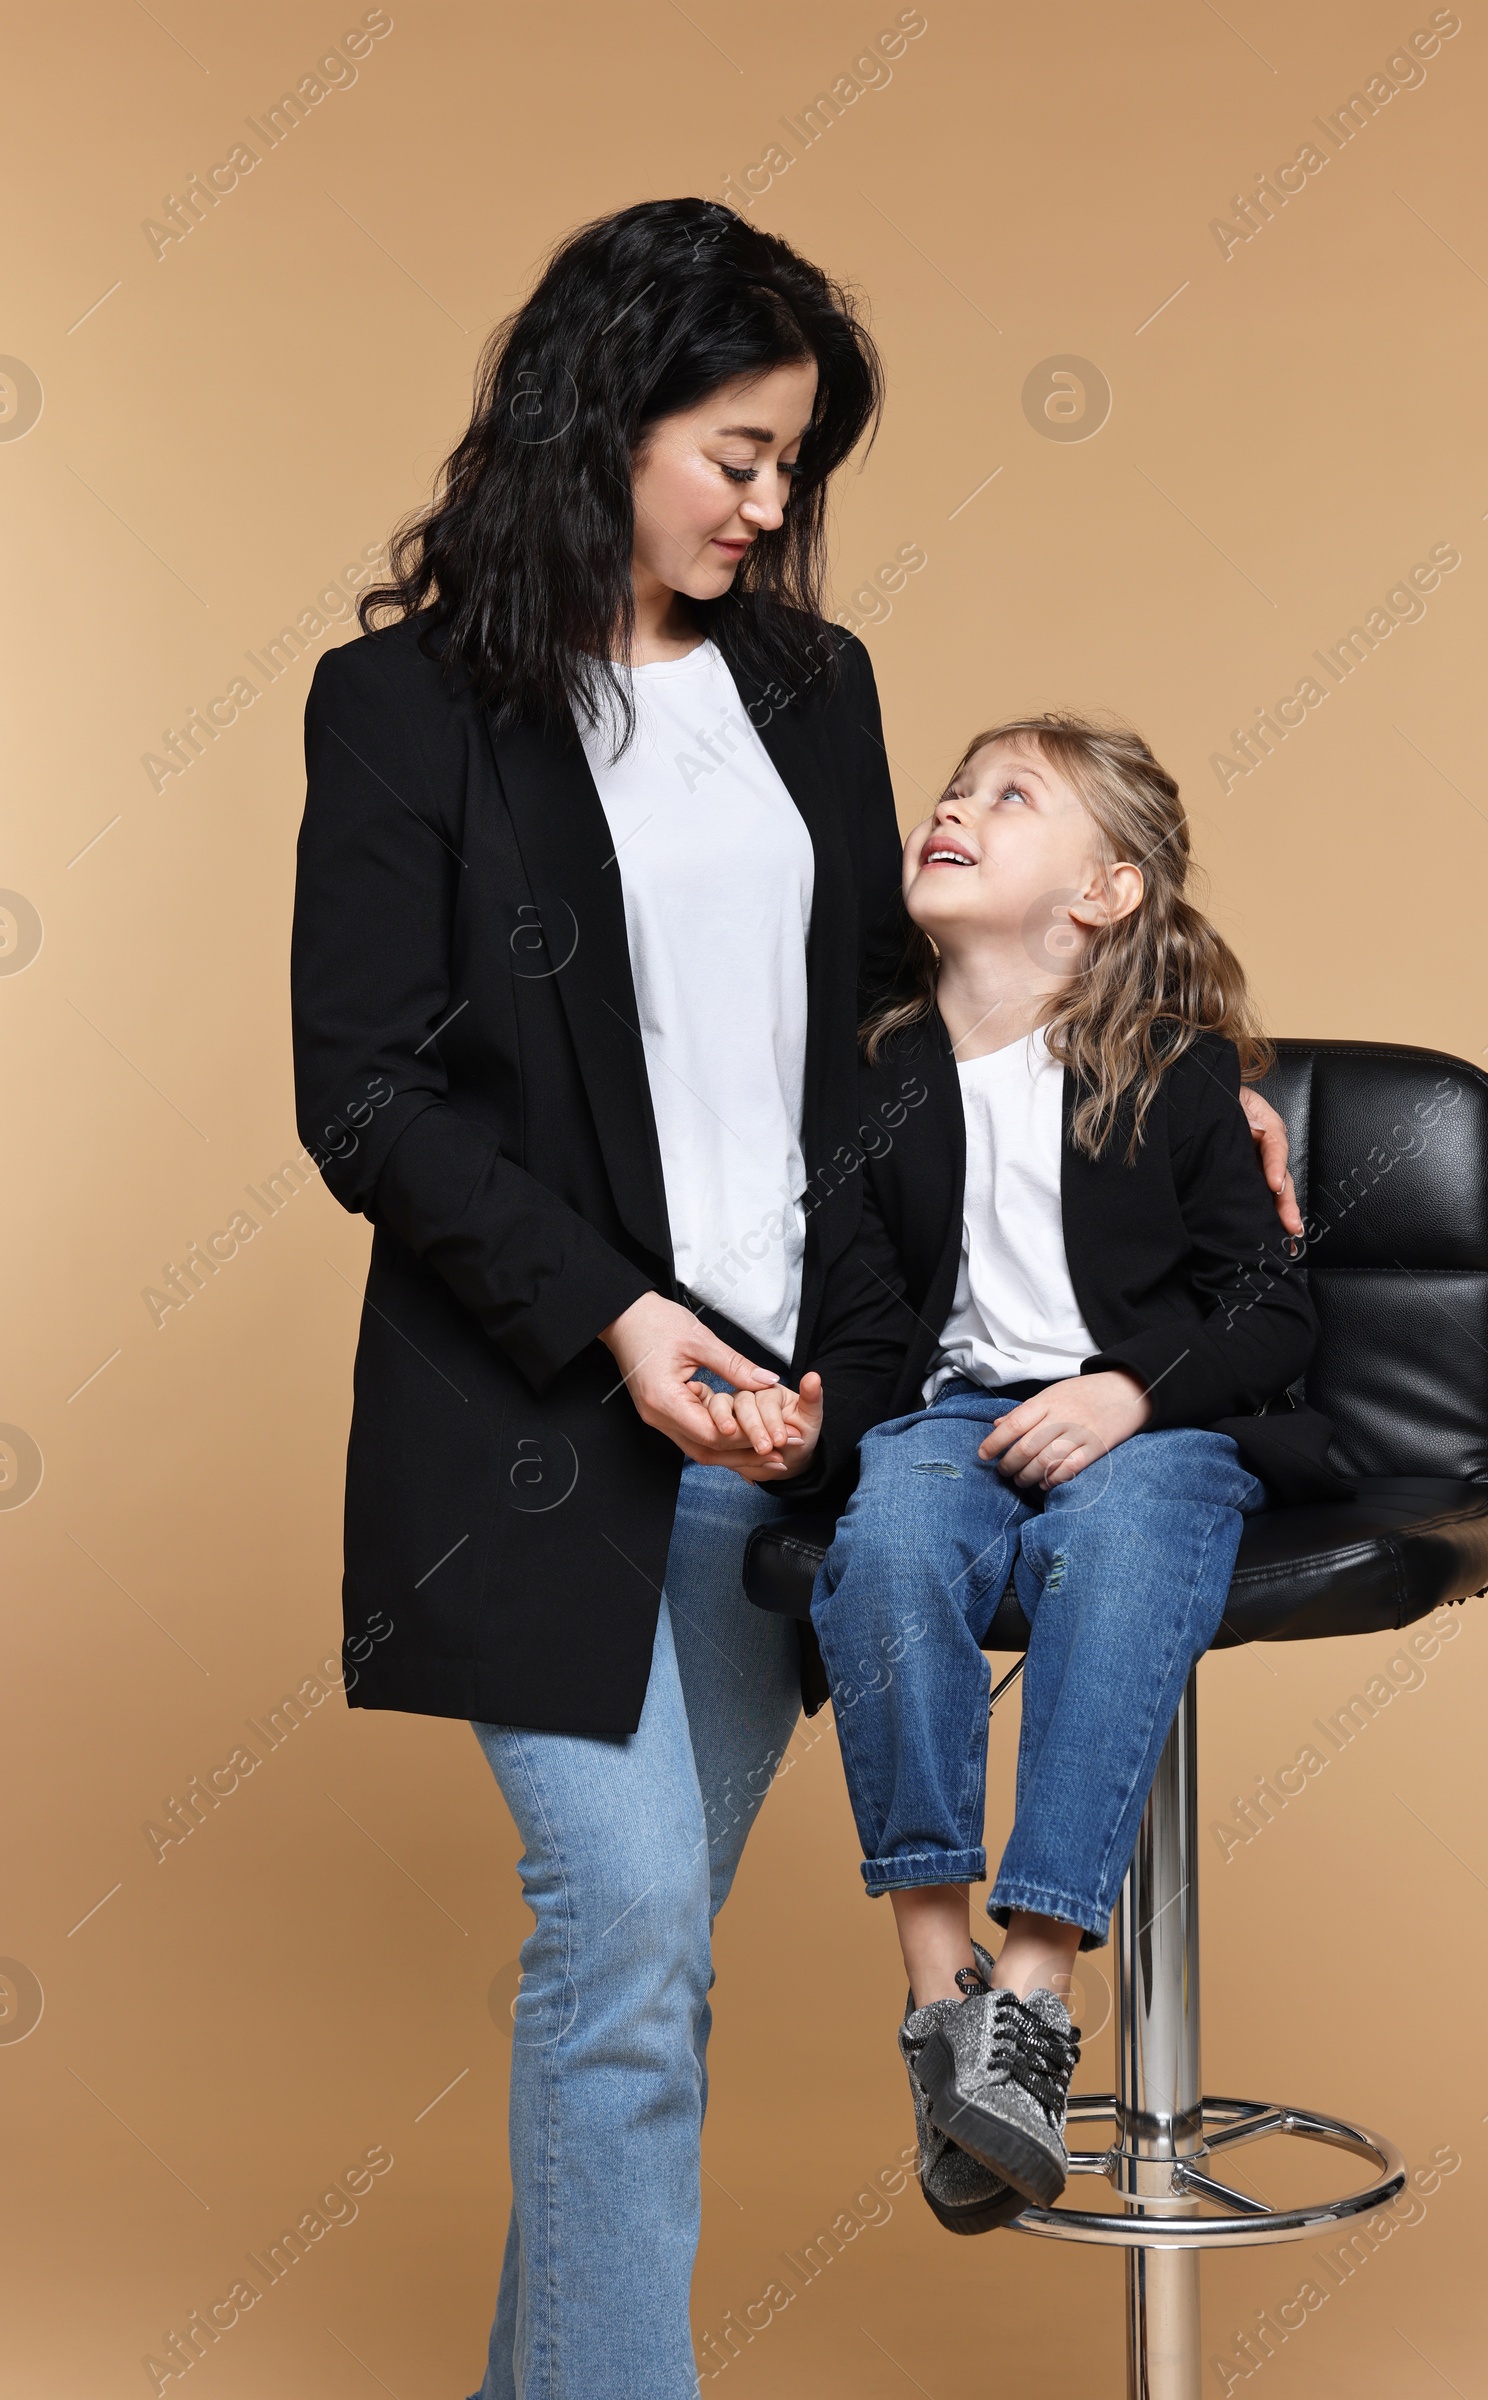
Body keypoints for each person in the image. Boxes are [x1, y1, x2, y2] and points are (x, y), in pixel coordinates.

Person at [290, 196, 1300, 2390]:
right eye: (735, 453)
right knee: (627, 1936)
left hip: (799, 1424)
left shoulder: (804, 686)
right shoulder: (402, 709)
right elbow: (363, 1098)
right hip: (538, 1420)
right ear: (597, 417)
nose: (770, 505)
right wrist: (619, 1324)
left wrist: (1186, 1097)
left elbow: (902, 1016)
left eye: (792, 468)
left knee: (633, 1981)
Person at [806, 710, 1319, 2232]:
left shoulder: (1172, 1076)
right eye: (953, 792)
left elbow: (1271, 1311)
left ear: (1101, 894)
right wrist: (820, 1428)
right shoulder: (878, 1075)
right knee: (891, 1532)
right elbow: (863, 1314)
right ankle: (940, 1992)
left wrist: (1129, 1393)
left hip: (1147, 1423)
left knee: (1128, 1536)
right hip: (957, 1414)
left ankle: (1033, 1990)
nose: (954, 809)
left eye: (1008, 799)